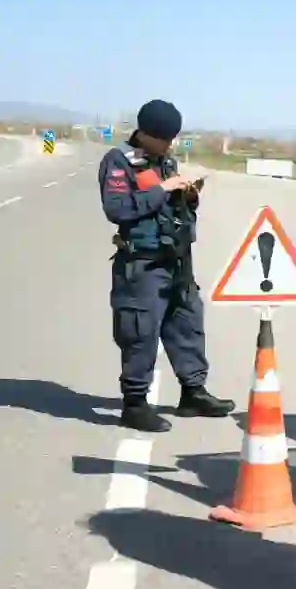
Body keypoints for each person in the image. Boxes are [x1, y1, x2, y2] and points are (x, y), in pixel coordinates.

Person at [98, 99, 234, 432]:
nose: (169, 144)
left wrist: (186, 194)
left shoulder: (165, 161)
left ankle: (193, 392)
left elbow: (171, 206)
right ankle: (134, 404)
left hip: (176, 258)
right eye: (164, 138)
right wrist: (162, 188)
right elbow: (117, 209)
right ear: (145, 133)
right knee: (140, 332)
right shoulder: (119, 162)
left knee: (187, 323)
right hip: (143, 263)